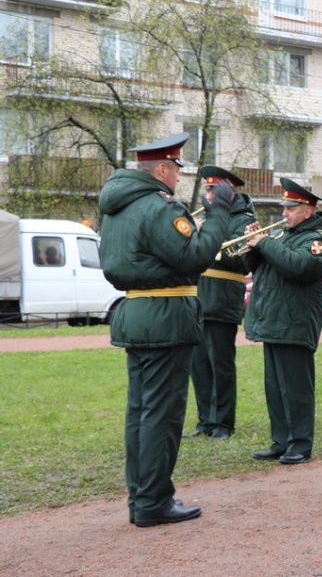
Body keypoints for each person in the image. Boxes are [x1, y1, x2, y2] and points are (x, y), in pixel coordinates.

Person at [98, 131, 235, 527]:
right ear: (161, 169)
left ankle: (141, 498)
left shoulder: (118, 207)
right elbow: (194, 257)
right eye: (176, 168)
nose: (178, 176)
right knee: (162, 414)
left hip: (137, 312)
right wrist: (219, 213)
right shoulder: (159, 206)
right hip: (166, 317)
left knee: (140, 412)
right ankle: (154, 501)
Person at [245, 178, 322, 465]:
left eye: (290, 208)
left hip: (295, 321)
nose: (284, 213)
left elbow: (298, 267)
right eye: (284, 207)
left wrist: (265, 243)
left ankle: (300, 443)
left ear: (307, 210)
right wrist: (253, 247)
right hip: (274, 320)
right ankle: (281, 441)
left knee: (296, 387)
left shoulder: (319, 239)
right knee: (275, 387)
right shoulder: (285, 236)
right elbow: (256, 268)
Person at [186, 166, 256, 440]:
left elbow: (239, 259)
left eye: (214, 190)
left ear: (230, 191)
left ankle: (223, 423)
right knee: (199, 365)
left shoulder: (244, 219)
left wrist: (206, 234)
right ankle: (205, 421)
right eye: (208, 190)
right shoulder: (206, 216)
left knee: (221, 365)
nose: (209, 195)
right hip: (198, 298)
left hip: (222, 298)